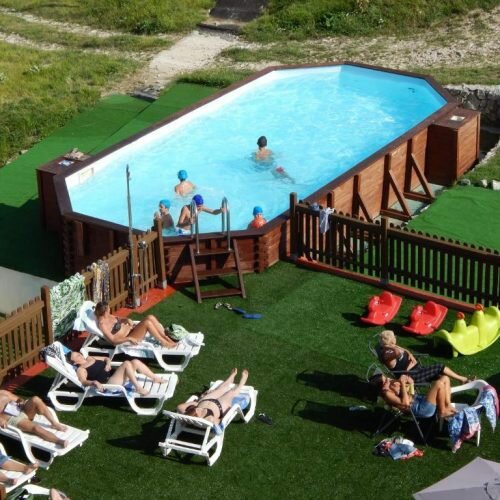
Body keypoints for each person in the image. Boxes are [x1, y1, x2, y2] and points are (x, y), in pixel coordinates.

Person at [377, 330, 471, 385]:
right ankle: (462, 379)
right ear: (391, 341)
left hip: (417, 369)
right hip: (412, 376)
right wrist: (389, 347)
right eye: (394, 337)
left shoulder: (394, 347)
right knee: (440, 367)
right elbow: (397, 353)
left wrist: (410, 354)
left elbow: (403, 350)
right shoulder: (387, 355)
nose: (395, 338)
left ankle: (444, 395)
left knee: (441, 377)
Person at [67, 351, 165, 396]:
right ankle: (138, 388)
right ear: (74, 362)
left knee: (135, 361)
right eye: (77, 356)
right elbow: (83, 381)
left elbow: (106, 358)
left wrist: (108, 364)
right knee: (126, 363)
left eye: (79, 353)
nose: (80, 354)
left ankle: (154, 378)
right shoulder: (81, 369)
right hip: (109, 383)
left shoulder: (90, 358)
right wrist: (94, 382)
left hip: (115, 376)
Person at [177, 368, 249, 424]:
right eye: (198, 411)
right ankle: (241, 383)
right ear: (199, 418)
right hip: (220, 406)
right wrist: (214, 419)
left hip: (205, 401)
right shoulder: (209, 419)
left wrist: (187, 414)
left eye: (197, 409)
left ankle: (231, 377)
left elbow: (179, 407)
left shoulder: (189, 414)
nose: (198, 409)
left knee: (221, 389)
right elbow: (221, 422)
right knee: (230, 393)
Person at [370, 373, 457, 418]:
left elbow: (411, 394)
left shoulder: (390, 386)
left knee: (445, 378)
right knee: (438, 384)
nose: (388, 380)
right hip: (421, 408)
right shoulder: (387, 394)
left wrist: (410, 383)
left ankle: (447, 405)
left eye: (386, 378)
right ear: (381, 386)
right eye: (385, 380)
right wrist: (402, 384)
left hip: (419, 399)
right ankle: (442, 411)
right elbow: (406, 404)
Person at [94, 301, 177, 348]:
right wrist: (129, 338)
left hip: (132, 329)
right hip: (129, 338)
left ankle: (166, 337)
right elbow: (113, 341)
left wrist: (126, 319)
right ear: (105, 312)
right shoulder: (103, 325)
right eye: (109, 309)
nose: (110, 310)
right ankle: (164, 342)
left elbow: (119, 319)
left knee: (150, 317)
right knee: (147, 323)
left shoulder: (109, 316)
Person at [0, 391, 68, 448]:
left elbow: (19, 399)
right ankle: (59, 441)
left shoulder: (3, 392)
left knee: (36, 399)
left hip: (20, 409)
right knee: (36, 428)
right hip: (13, 418)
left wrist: (21, 402)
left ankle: (54, 423)